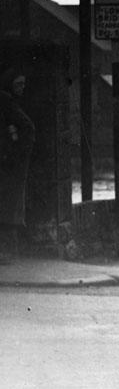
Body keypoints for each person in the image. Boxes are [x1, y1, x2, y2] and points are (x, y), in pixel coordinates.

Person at [0, 69, 35, 263]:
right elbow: (28, 128)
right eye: (18, 84)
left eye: (23, 84)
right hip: (9, 164)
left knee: (9, 206)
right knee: (9, 206)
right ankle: (9, 252)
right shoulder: (8, 102)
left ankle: (8, 252)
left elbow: (27, 128)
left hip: (8, 164)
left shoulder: (9, 102)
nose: (22, 88)